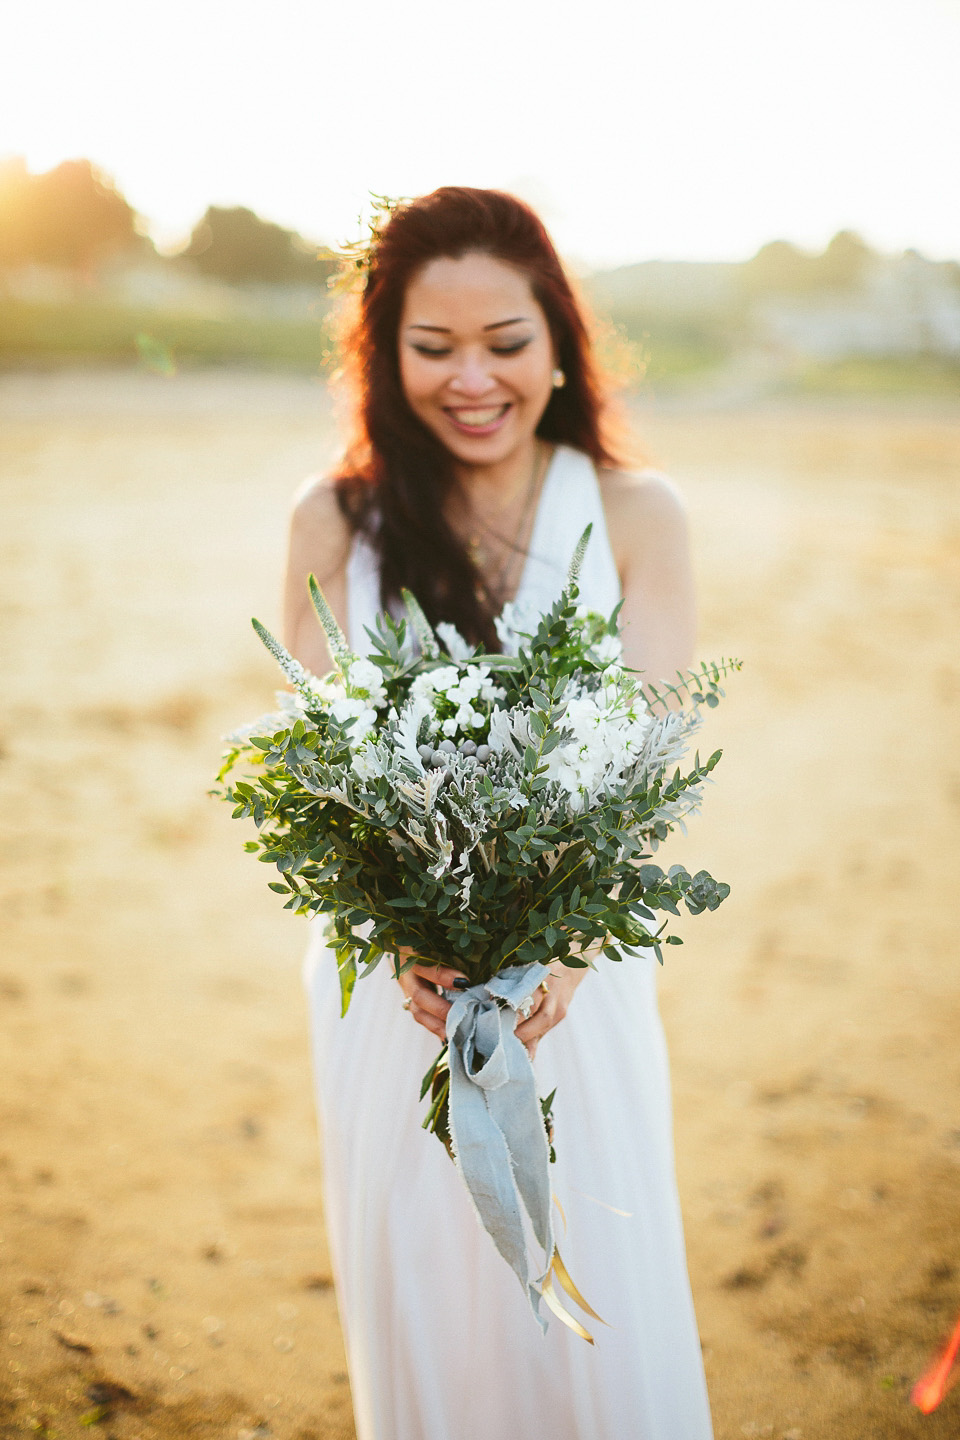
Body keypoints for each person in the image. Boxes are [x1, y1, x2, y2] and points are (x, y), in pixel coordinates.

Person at [283, 187, 713, 1440]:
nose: (472, 378)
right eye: (433, 347)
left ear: (561, 341)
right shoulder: (335, 519)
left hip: (574, 991)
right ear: (383, 353)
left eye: (505, 343)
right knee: (424, 1296)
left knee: (597, 1304)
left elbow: (652, 765)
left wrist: (567, 948)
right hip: (389, 995)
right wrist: (395, 929)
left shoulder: (638, 514)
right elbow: (313, 768)